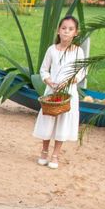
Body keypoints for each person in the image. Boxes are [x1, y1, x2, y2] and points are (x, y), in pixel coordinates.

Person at [34, 15, 86, 169]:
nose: (66, 32)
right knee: (48, 119)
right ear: (58, 30)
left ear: (76, 32)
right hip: (52, 91)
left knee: (63, 121)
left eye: (70, 29)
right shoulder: (52, 50)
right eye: (63, 28)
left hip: (68, 92)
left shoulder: (78, 52)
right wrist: (49, 81)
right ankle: (44, 151)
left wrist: (68, 82)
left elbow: (81, 72)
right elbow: (44, 70)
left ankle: (55, 154)